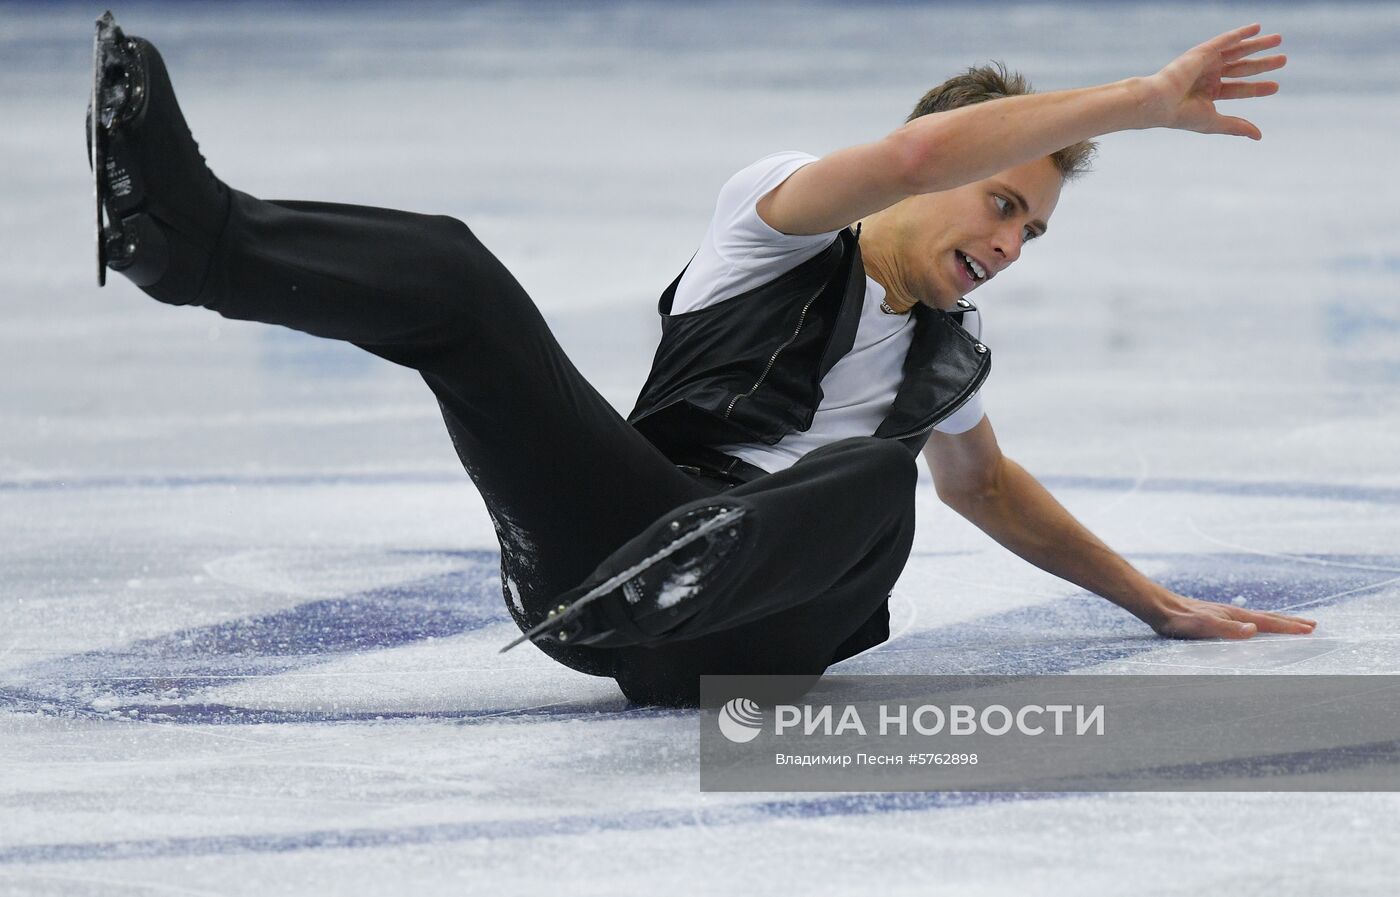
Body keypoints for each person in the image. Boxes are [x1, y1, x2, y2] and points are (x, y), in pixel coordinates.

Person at [88, 14, 1316, 707]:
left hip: (767, 619)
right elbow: (890, 164)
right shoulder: (772, 220)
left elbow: (984, 490)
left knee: (873, 479)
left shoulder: (955, 357)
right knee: (456, 280)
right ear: (940, 164)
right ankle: (187, 237)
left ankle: (705, 569)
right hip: (613, 557)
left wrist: (1151, 604)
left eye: (1030, 233)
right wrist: (1135, 100)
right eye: (1000, 205)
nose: (1008, 244)